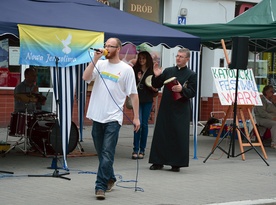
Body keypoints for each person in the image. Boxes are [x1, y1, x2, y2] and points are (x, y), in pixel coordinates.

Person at [82, 37, 140, 200]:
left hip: (113, 118)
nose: (106, 48)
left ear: (118, 49)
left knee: (107, 153)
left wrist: (136, 117)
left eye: (110, 46)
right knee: (102, 153)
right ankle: (111, 177)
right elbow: (85, 78)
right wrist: (95, 59)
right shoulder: (99, 64)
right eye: (105, 45)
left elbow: (134, 95)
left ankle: (100, 187)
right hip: (97, 115)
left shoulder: (126, 69)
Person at [148, 48, 197, 172]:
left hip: (181, 109)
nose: (178, 58)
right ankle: (158, 161)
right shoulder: (169, 71)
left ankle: (176, 163)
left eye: (181, 56)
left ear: (187, 59)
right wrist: (157, 75)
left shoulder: (191, 74)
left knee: (178, 135)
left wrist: (182, 90)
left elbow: (192, 92)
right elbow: (157, 85)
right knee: (162, 133)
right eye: (177, 56)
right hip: (166, 107)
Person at [131, 51, 158, 160]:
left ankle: (142, 149)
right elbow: (130, 84)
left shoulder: (152, 71)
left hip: (147, 99)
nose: (141, 60)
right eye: (140, 58)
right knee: (137, 123)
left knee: (144, 125)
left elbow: (156, 87)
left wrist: (155, 80)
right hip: (136, 99)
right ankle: (135, 149)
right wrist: (137, 78)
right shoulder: (134, 69)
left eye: (143, 58)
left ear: (147, 59)